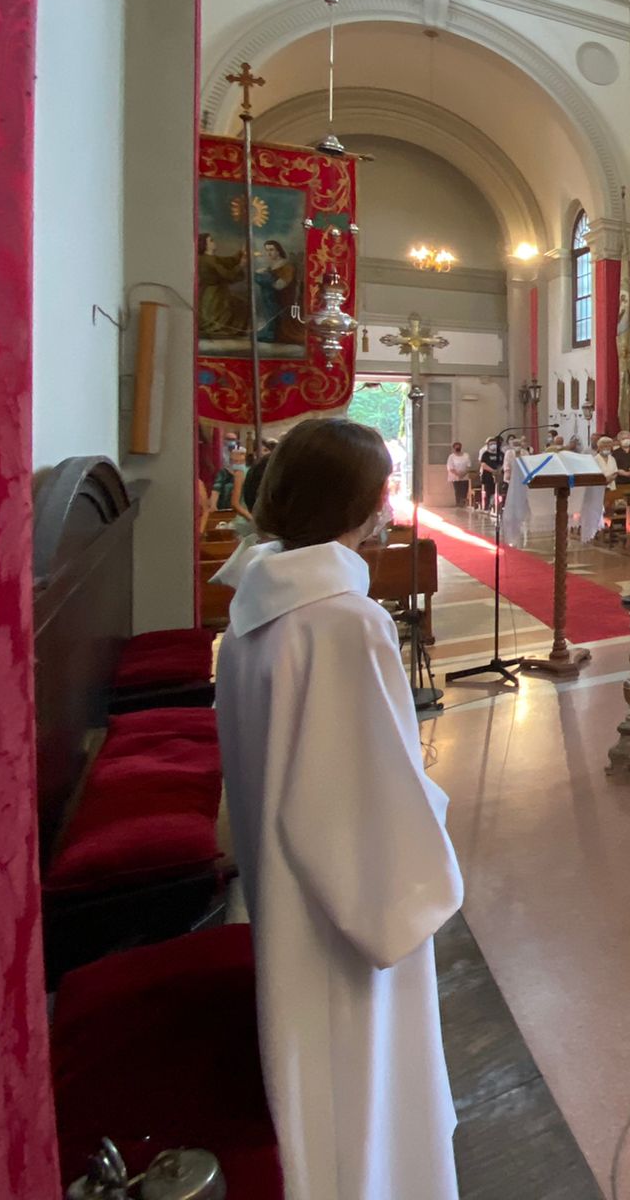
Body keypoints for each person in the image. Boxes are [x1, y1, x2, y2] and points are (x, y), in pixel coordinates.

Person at [212, 419, 463, 1199]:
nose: (387, 510)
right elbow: (360, 809)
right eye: (381, 491)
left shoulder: (261, 596)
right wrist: (428, 818)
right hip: (341, 914)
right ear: (355, 504)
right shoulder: (343, 622)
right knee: (357, 1090)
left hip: (283, 887)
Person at [477, 437, 503, 511]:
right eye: (491, 444)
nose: (493, 445)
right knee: (488, 492)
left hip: (499, 475)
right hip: (488, 475)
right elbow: (483, 464)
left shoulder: (501, 453)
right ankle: (487, 507)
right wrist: (492, 470)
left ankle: (498, 506)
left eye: (494, 443)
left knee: (499, 492)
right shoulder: (485, 454)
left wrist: (499, 470)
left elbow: (504, 462)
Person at [445, 441, 472, 508]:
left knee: (464, 489)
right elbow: (450, 467)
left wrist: (463, 473)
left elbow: (469, 465)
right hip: (455, 476)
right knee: (458, 490)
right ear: (454, 448)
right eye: (456, 447)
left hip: (465, 475)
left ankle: (463, 502)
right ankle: (458, 503)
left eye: (459, 446)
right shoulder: (451, 457)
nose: (458, 448)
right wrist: (458, 474)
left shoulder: (466, 455)